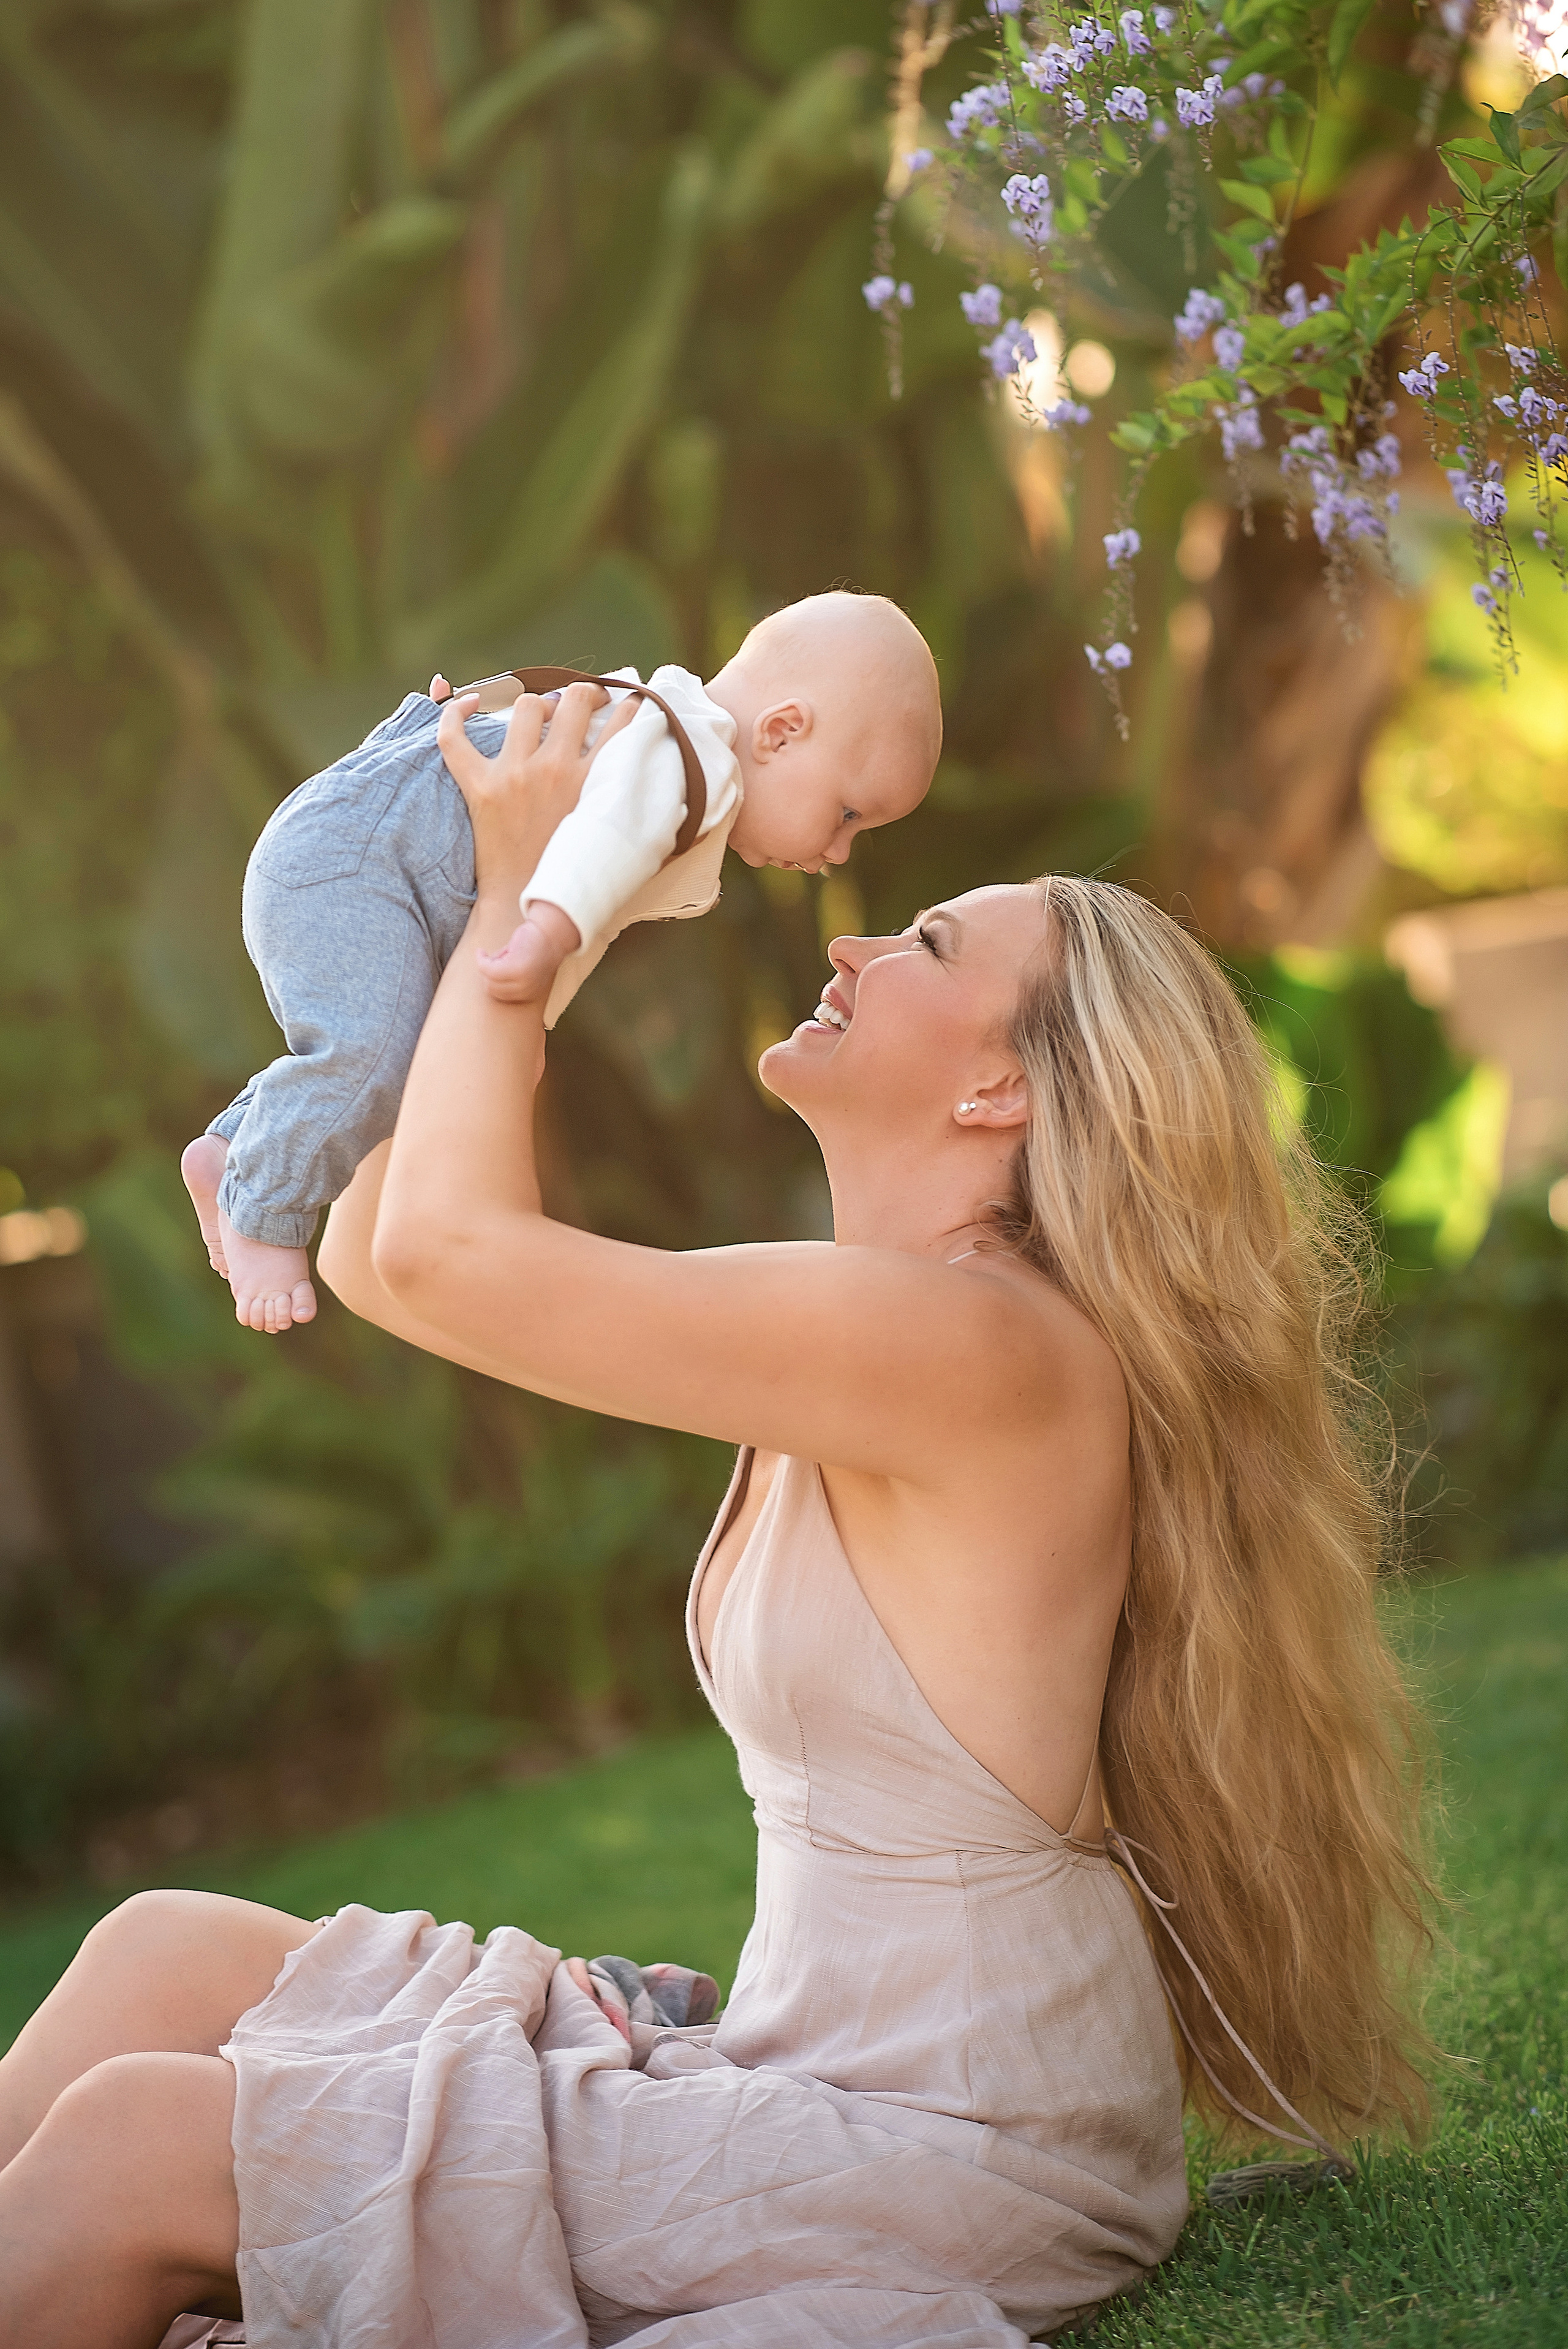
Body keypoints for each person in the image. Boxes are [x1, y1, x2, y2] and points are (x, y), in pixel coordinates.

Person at [2, 686, 1433, 2349]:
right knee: (161, 1949)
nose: (851, 947)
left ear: (997, 1094)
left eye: (925, 944)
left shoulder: (983, 1349)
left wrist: (537, 904)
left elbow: (447, 1252)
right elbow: (380, 1248)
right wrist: (556, 888)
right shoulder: (890, 1318)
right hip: (805, 2072)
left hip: (950, 2154)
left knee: (138, 2143)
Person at [181, 591, 941, 1336]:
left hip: (373, 854)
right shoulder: (690, 760)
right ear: (780, 732)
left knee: (404, 1054)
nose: (837, 853)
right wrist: (540, 932)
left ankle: (232, 1150)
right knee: (374, 1058)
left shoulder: (666, 723)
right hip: (360, 866)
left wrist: (529, 1025)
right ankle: (268, 1216)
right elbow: (599, 845)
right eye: (847, 813)